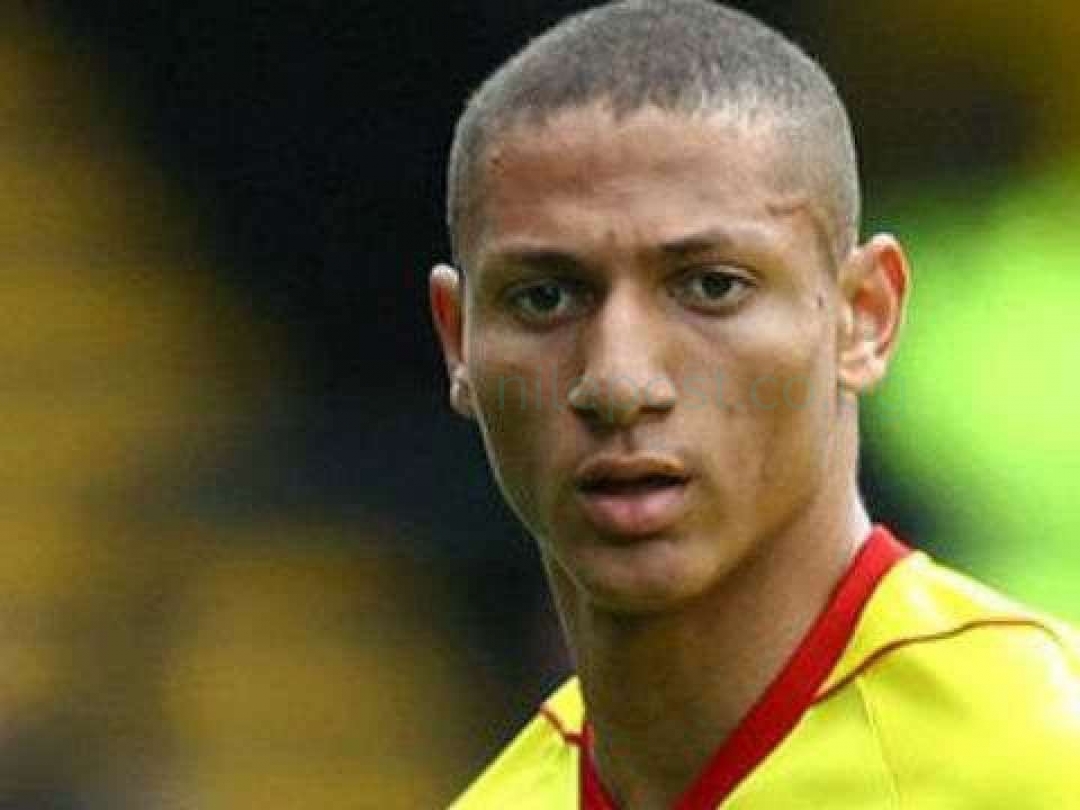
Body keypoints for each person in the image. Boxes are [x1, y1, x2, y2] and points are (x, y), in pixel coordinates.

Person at [428, 1, 1080, 807]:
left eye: (711, 287)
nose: (619, 382)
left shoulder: (1046, 763)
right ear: (458, 341)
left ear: (865, 316)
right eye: (544, 298)